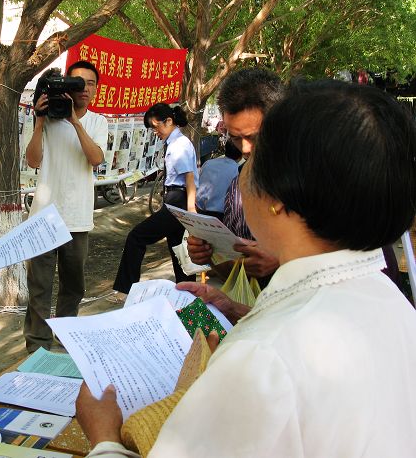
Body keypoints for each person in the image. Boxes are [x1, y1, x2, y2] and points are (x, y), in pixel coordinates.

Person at [76, 80, 416, 457]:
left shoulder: (258, 360)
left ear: (278, 196)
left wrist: (105, 436)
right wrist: (240, 311)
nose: (242, 163)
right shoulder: (390, 303)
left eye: (255, 157)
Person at [23, 60, 108, 353]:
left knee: (73, 287)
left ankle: (66, 336)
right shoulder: (47, 119)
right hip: (44, 216)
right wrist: (38, 123)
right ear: (66, 86)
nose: (84, 88)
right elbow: (33, 160)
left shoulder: (98, 122)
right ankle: (37, 346)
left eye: (90, 84)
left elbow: (95, 158)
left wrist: (75, 121)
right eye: (77, 82)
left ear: (96, 90)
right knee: (40, 287)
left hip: (78, 217)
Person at [187, 68, 284, 283]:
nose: (246, 149)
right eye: (236, 138)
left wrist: (282, 259)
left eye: (253, 137)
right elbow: (230, 269)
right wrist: (209, 255)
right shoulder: (239, 181)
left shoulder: (314, 177)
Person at [113, 103, 198, 293]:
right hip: (175, 199)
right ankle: (189, 298)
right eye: (152, 129)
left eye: (156, 126)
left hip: (179, 201)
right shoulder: (174, 142)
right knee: (178, 253)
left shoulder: (179, 144)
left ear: (169, 121)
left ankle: (127, 289)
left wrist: (191, 210)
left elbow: (189, 177)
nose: (155, 132)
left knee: (136, 237)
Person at [195, 139, 242, 220]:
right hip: (222, 217)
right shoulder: (236, 170)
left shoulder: (208, 163)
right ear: (241, 154)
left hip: (200, 212)